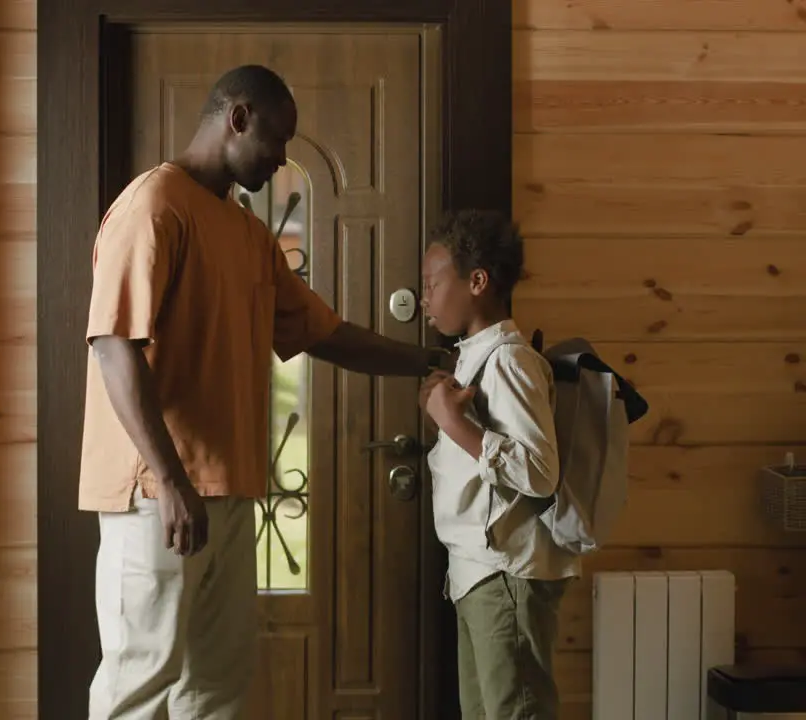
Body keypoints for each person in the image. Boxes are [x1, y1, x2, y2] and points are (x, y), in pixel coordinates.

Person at [79, 63, 454, 719]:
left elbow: (326, 333)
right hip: (156, 496)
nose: (281, 159)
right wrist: (171, 481)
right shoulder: (154, 205)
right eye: (277, 141)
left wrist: (434, 359)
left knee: (217, 684)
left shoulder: (249, 234)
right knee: (138, 685)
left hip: (228, 491)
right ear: (238, 118)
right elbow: (114, 347)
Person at [418, 210, 579, 720]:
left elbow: (539, 472)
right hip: (478, 574)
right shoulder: (473, 357)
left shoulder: (510, 360)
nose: (424, 297)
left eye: (432, 283)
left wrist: (455, 424)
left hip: (506, 573)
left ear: (478, 282)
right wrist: (446, 421)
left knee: (516, 712)